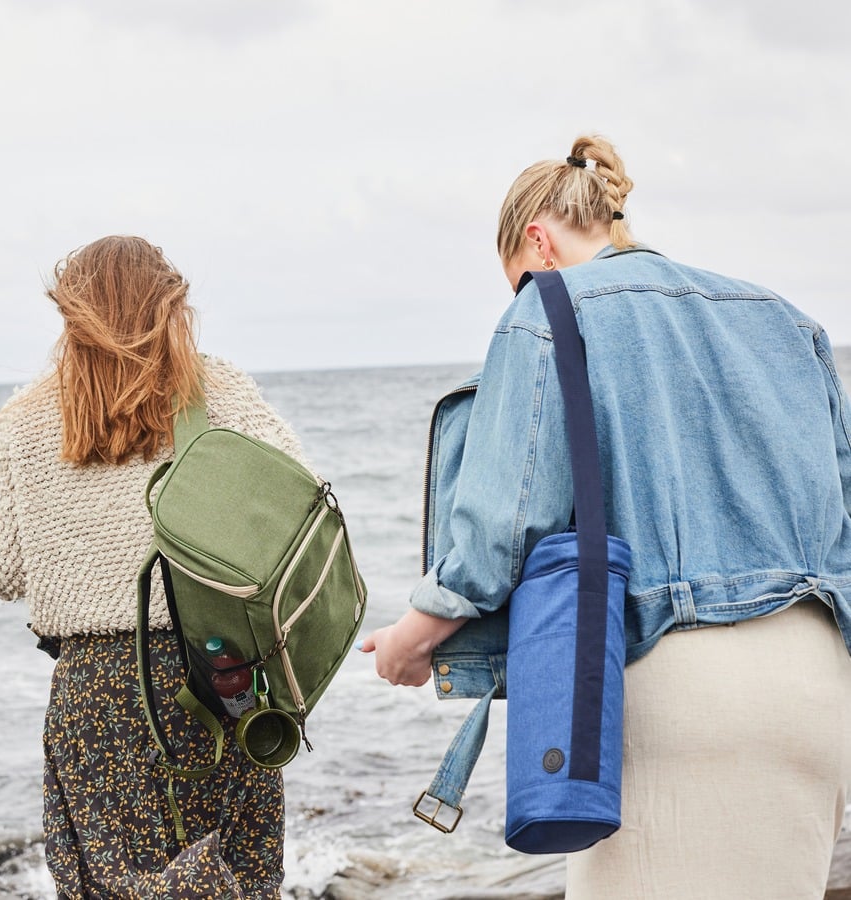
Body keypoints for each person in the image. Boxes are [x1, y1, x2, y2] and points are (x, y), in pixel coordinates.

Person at [362, 136, 851, 898]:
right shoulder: (787, 322)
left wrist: (410, 640)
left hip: (672, 692)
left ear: (538, 241)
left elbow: (499, 531)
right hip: (816, 692)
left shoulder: (546, 309)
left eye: (517, 282)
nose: (521, 295)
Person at [0, 235, 306, 899]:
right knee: (237, 875)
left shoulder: (26, 417)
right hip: (216, 674)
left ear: (72, 317)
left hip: (94, 692)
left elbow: (2, 573)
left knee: (110, 883)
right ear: (171, 306)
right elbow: (297, 504)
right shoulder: (218, 390)